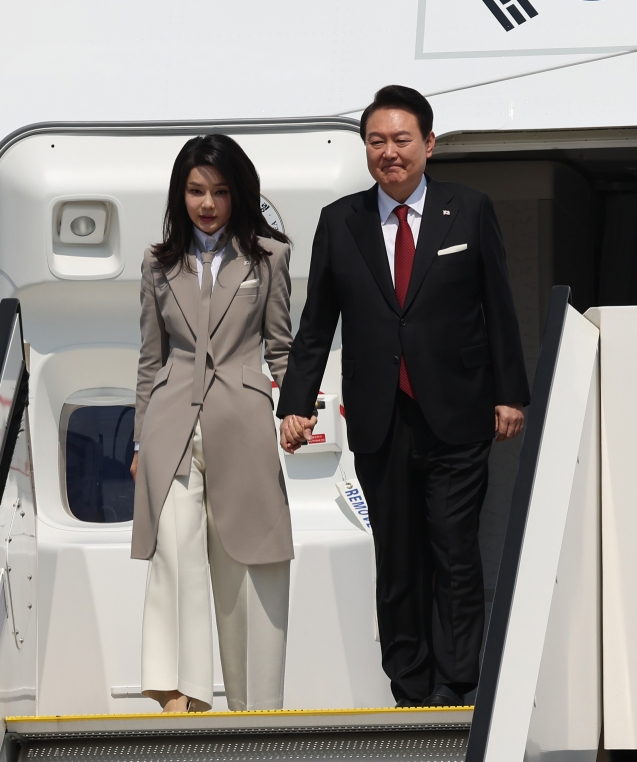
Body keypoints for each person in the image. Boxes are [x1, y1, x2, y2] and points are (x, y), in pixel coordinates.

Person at [277, 85, 530, 708]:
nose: (389, 153)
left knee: (454, 551)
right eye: (377, 142)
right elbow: (317, 322)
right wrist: (296, 403)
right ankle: (411, 689)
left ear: (429, 144)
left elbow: (498, 304)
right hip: (380, 417)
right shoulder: (342, 220)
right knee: (396, 561)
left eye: (402, 140)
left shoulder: (467, 210)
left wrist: (510, 394)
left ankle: (458, 684)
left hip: (458, 412)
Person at [130, 134, 294, 713]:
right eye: (197, 190)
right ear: (181, 194)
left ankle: (256, 711)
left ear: (237, 194)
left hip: (244, 425)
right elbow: (151, 358)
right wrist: (138, 439)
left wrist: (296, 407)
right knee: (173, 558)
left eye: (220, 191)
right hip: (170, 427)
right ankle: (181, 696)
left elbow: (281, 347)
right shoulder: (157, 263)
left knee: (246, 565)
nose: (207, 203)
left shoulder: (269, 256)